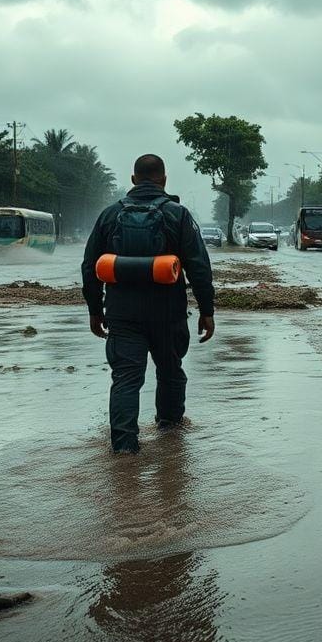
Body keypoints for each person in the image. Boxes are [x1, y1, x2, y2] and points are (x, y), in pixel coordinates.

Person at [82, 154, 215, 454]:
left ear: (133, 180)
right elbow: (199, 267)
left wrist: (94, 311)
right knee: (169, 372)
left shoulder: (109, 215)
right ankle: (171, 439)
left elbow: (90, 267)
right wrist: (207, 311)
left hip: (122, 315)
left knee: (126, 379)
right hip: (168, 314)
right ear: (164, 180)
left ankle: (124, 451)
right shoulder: (178, 215)